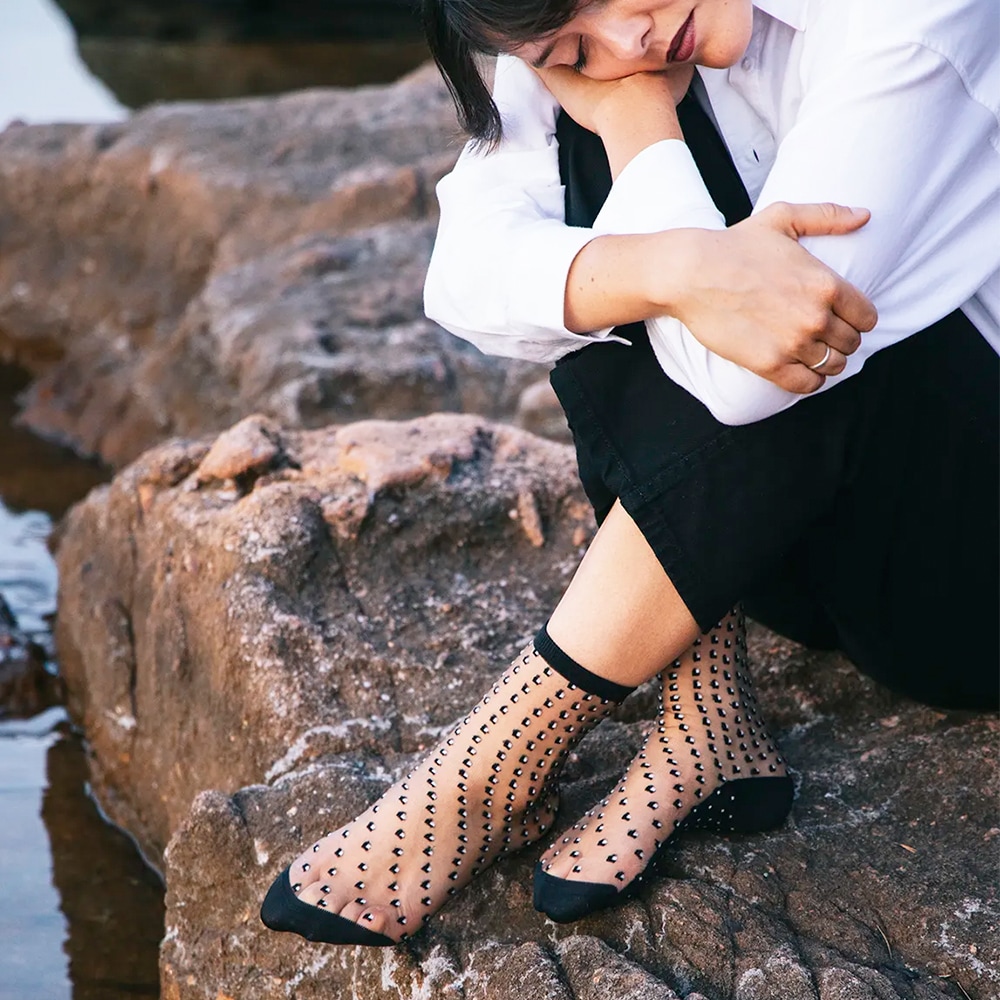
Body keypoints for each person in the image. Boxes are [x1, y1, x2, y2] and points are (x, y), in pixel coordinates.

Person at [260, 0, 999, 946]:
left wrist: (643, 137)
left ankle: (495, 764)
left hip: (967, 576)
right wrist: (677, 260)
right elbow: (465, 266)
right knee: (628, 229)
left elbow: (749, 373)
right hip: (797, 560)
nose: (626, 44)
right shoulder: (600, 21)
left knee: (803, 321)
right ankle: (705, 721)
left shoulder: (916, 16)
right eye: (568, 49)